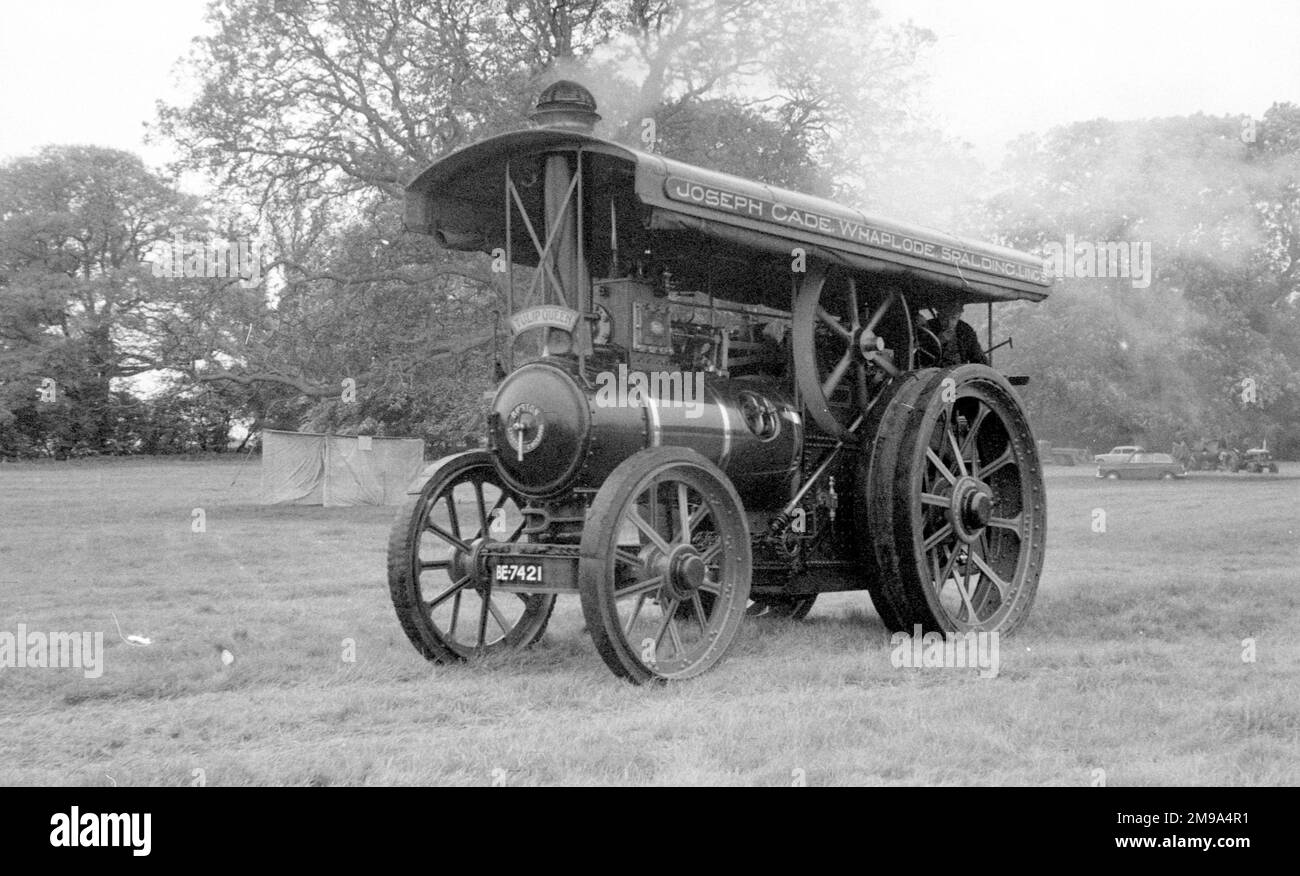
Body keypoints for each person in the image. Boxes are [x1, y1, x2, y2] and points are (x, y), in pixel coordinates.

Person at [922, 302, 988, 367]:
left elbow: (978, 357)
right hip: (933, 373)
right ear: (938, 315)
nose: (949, 323)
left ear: (959, 316)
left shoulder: (965, 330)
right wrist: (938, 342)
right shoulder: (928, 328)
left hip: (958, 373)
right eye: (944, 318)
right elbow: (920, 357)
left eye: (953, 318)